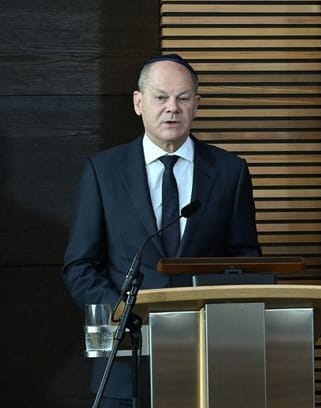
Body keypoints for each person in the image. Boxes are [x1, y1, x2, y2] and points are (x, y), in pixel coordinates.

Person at [62, 54, 260, 407]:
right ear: (139, 103)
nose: (172, 108)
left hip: (206, 359)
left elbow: (245, 260)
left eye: (183, 98)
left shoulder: (230, 172)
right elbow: (80, 265)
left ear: (196, 105)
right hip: (126, 362)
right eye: (160, 97)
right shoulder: (103, 171)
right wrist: (124, 314)